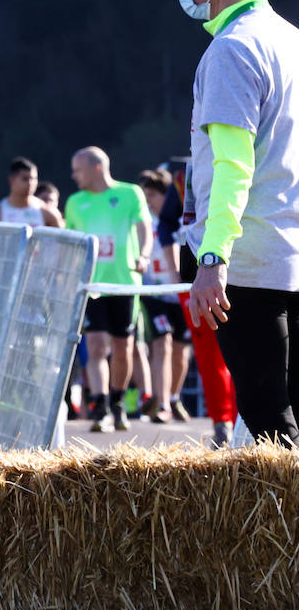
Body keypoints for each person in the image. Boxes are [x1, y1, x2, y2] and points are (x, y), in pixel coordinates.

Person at [169, 0, 299, 446]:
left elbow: (232, 167)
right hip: (291, 252)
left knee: (271, 427)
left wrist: (213, 259)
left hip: (251, 263)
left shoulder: (231, 50)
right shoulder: (290, 38)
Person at [64, 147, 152, 432]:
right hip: (92, 285)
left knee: (123, 347)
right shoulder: (75, 202)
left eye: (78, 169)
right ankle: (99, 406)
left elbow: (144, 227)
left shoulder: (130, 194)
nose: (74, 176)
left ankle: (117, 403)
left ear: (96, 168)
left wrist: (144, 255)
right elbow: (72, 241)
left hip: (124, 283)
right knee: (96, 345)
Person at [136, 169, 192, 424]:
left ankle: (174, 396)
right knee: (162, 344)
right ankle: (161, 404)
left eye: (152, 196)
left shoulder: (180, 219)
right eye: (145, 196)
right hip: (154, 292)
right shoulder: (143, 221)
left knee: (181, 350)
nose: (148, 202)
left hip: (180, 294)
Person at [0, 157, 64, 228]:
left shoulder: (46, 212)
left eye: (33, 179)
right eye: (25, 179)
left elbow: (62, 240)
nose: (30, 183)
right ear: (11, 180)